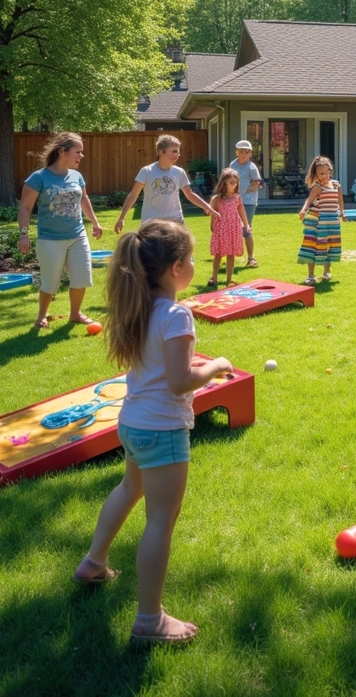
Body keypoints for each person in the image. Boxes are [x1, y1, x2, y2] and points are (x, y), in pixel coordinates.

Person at [73, 220, 234, 645]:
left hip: (132, 424)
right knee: (161, 520)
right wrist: (216, 365)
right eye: (193, 258)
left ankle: (94, 563)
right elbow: (180, 381)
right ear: (177, 268)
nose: (195, 264)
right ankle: (149, 620)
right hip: (162, 429)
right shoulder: (177, 313)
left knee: (129, 489)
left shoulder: (139, 305)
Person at [17, 132, 103, 330]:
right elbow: (25, 207)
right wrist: (24, 234)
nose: (81, 156)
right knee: (50, 280)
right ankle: (41, 316)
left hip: (77, 234)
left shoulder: (77, 176)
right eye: (78, 152)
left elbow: (83, 199)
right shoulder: (38, 178)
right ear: (62, 151)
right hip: (50, 238)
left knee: (82, 275)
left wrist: (95, 222)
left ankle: (75, 314)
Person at [114, 134, 219, 233]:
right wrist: (122, 218)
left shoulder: (179, 172)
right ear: (161, 152)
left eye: (178, 152)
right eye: (173, 151)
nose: (177, 155)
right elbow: (133, 194)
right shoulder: (146, 171)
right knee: (151, 252)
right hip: (151, 222)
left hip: (175, 221)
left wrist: (208, 207)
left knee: (179, 252)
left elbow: (189, 194)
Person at [298, 156, 344, 286]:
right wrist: (303, 210)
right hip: (317, 221)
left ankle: (326, 271)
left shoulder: (336, 185)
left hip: (332, 222)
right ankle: (311, 275)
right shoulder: (317, 187)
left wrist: (342, 212)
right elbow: (309, 200)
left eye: (325, 173)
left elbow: (340, 200)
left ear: (330, 171)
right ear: (316, 175)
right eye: (320, 174)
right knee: (312, 246)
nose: (323, 176)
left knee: (329, 246)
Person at [207, 168, 250, 287]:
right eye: (231, 182)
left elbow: (242, 211)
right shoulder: (217, 199)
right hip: (221, 229)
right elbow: (213, 212)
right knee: (218, 254)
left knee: (231, 254)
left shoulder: (237, 198)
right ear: (223, 183)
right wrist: (212, 225)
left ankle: (229, 279)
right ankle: (214, 277)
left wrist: (246, 225)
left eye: (235, 183)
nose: (234, 185)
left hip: (233, 229)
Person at [229, 140, 263, 268]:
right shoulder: (232, 164)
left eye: (246, 152)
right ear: (237, 152)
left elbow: (255, 184)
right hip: (233, 201)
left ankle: (251, 258)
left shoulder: (251, 167)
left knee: (246, 229)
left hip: (248, 202)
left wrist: (242, 194)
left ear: (250, 154)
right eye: (240, 152)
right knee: (232, 227)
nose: (243, 154)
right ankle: (229, 255)